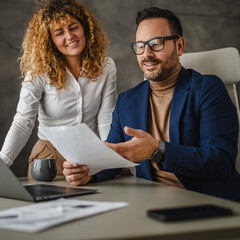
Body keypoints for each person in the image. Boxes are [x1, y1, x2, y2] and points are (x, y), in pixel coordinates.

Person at [93, 7, 240, 202]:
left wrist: (157, 151)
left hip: (208, 202)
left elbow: (220, 162)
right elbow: (115, 158)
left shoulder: (208, 88)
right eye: (140, 46)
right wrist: (88, 171)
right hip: (151, 201)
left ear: (179, 46)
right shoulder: (127, 101)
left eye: (156, 43)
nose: (147, 54)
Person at [0, 0, 117, 185]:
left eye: (73, 27)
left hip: (90, 157)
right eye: (59, 33)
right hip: (49, 159)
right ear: (50, 40)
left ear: (85, 28)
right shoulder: (38, 71)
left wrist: (110, 159)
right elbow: (23, 121)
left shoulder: (107, 66)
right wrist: (2, 164)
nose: (69, 36)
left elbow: (105, 116)